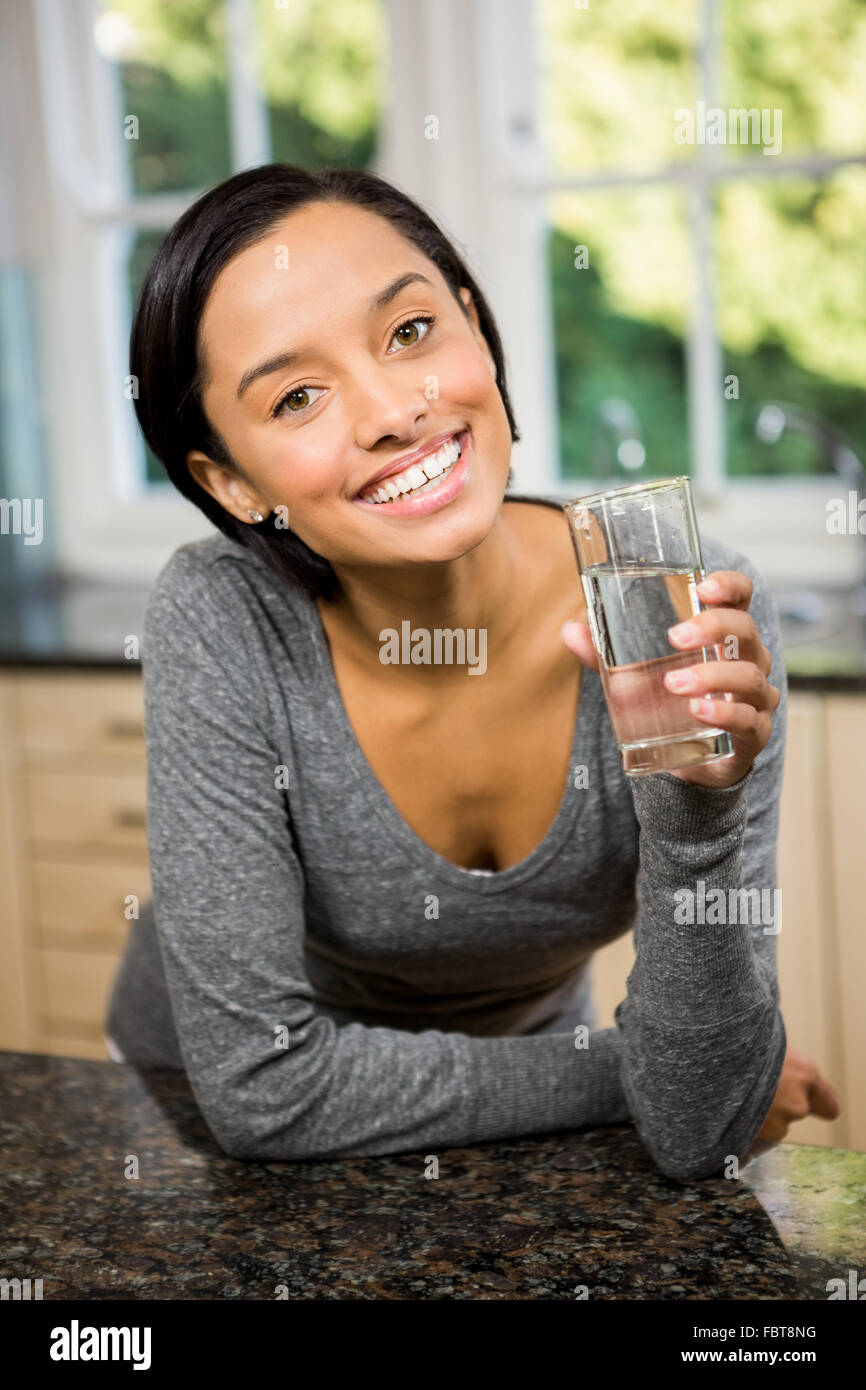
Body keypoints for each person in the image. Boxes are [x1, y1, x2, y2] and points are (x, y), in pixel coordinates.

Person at [106, 163, 839, 1175]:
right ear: (231, 480)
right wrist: (613, 1074)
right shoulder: (220, 615)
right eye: (298, 396)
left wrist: (696, 819)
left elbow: (694, 1125)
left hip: (516, 1122)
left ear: (473, 327)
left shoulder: (674, 612)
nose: (392, 411)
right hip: (198, 1118)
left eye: (409, 333)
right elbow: (264, 1091)